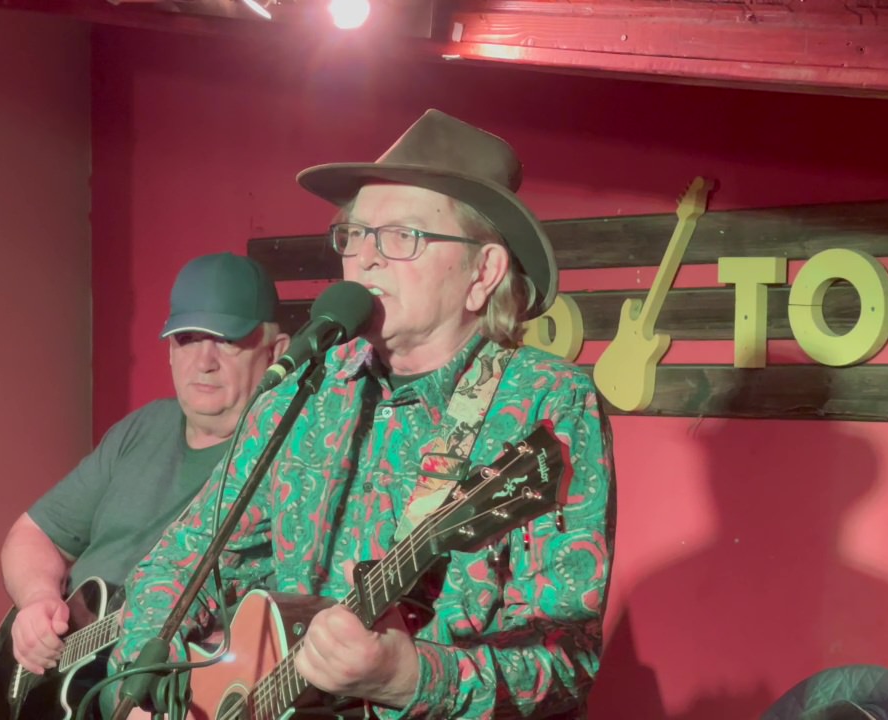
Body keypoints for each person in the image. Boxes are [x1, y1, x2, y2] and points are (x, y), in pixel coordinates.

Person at [107, 109, 617, 720]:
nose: (365, 259)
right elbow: (185, 559)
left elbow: (567, 662)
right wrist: (145, 680)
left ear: (482, 273)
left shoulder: (547, 401)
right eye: (354, 234)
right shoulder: (306, 388)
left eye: (402, 236)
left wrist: (408, 679)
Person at [0, 252, 289, 677]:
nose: (204, 362)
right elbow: (32, 534)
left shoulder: (293, 458)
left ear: (276, 352)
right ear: (170, 351)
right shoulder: (143, 427)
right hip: (63, 686)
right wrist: (38, 600)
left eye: (227, 340)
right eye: (186, 339)